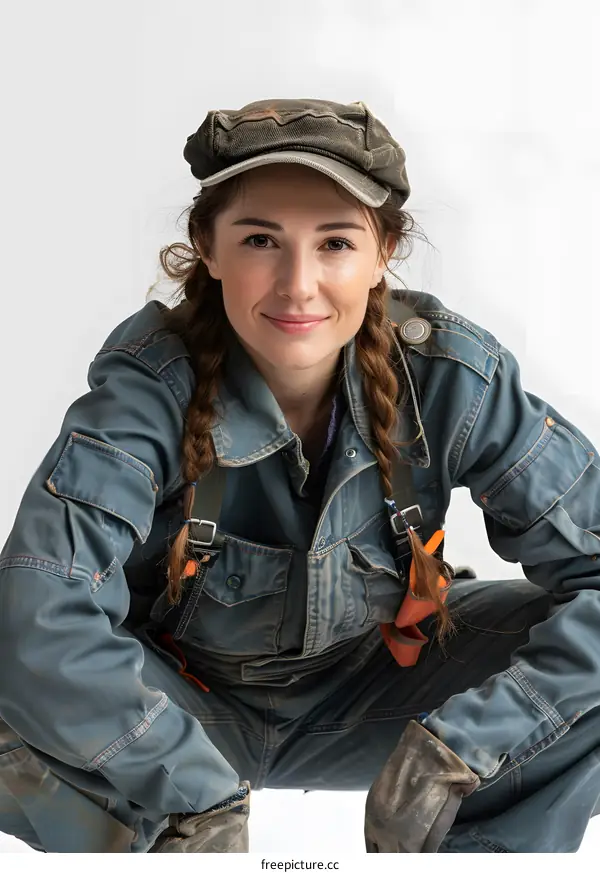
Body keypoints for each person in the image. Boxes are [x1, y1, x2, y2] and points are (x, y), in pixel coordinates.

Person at [0, 98, 599, 855]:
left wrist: (472, 745)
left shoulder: (450, 378)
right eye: (260, 239)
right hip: (178, 706)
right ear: (207, 249)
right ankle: (167, 841)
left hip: (383, 699)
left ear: (384, 252)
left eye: (335, 243)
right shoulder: (149, 385)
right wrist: (191, 787)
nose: (298, 284)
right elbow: (39, 599)